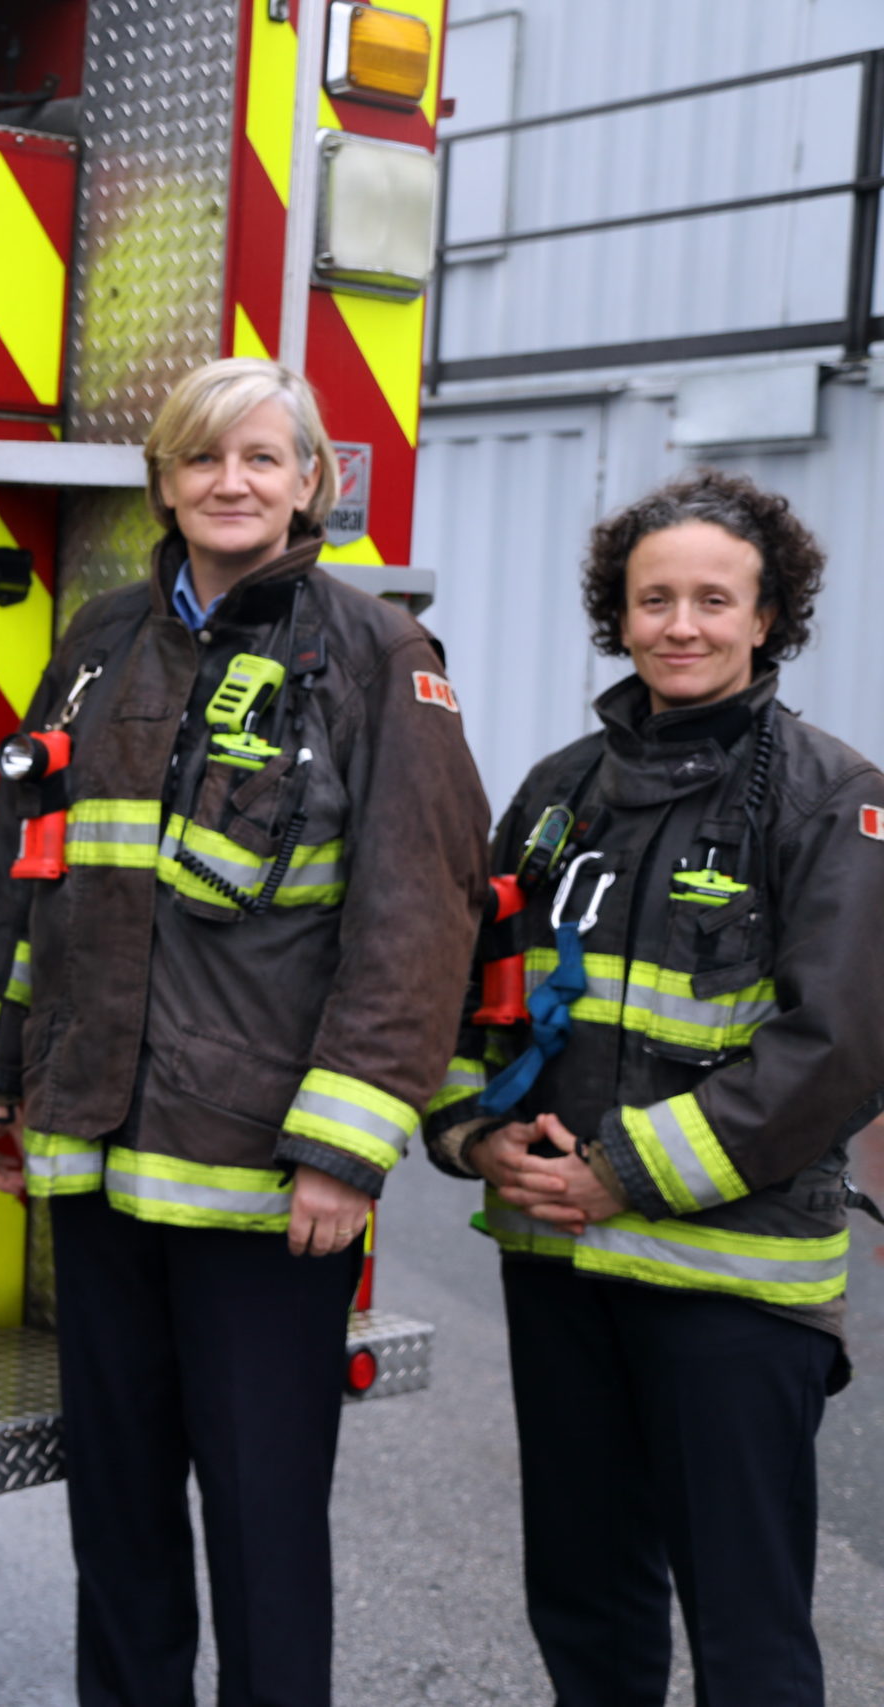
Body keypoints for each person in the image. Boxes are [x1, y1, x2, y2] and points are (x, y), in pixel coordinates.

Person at [0, 357, 487, 1706]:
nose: (230, 482)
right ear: (164, 483)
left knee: (261, 1521)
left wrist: (347, 1149)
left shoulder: (377, 656)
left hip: (265, 1178)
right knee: (116, 1512)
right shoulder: (100, 643)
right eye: (201, 459)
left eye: (261, 457)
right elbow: (25, 864)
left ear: (312, 483)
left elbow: (420, 915)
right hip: (103, 1151)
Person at [423, 469, 884, 1706]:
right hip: (562, 1269)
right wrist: (475, 1138)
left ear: (767, 615)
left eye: (714, 601)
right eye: (653, 599)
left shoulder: (835, 800)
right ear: (616, 616)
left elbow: (834, 1049)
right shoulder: (557, 795)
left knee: (744, 1629)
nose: (681, 625)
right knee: (582, 1602)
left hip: (730, 1292)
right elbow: (478, 993)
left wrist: (620, 1172)